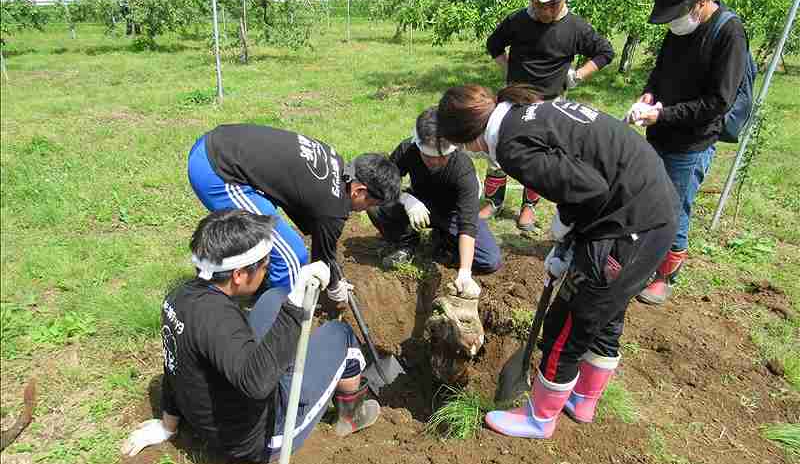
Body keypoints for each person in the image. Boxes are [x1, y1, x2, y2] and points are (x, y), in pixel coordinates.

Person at [437, 84, 678, 439]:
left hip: (628, 225)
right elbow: (584, 174)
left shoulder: (511, 146)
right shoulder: (521, 112)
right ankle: (583, 399)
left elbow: (589, 189)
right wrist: (568, 244)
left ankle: (539, 418)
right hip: (650, 210)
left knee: (567, 323)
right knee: (607, 313)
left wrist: (563, 228)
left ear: (470, 138)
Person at [121, 209, 380, 463]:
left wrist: (168, 426)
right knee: (341, 334)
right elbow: (256, 384)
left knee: (274, 297)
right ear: (238, 275)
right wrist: (298, 301)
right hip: (258, 435)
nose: (267, 271)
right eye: (265, 266)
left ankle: (290, 367)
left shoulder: (179, 296)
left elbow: (174, 363)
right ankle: (349, 417)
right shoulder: (219, 321)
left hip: (222, 413)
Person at [629, 0, 747, 306]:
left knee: (675, 206)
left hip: (692, 141)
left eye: (678, 14)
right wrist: (649, 95)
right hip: (661, 128)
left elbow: (718, 101)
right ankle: (644, 256)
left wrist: (662, 114)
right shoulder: (680, 29)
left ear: (701, 1)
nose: (673, 22)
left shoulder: (729, 33)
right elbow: (661, 70)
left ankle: (666, 275)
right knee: (649, 195)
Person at [187, 124, 401, 307]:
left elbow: (309, 216)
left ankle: (261, 285)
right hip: (217, 172)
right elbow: (321, 259)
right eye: (371, 204)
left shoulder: (334, 159)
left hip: (216, 143)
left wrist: (332, 274)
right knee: (292, 255)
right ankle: (284, 320)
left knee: (275, 237)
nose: (364, 210)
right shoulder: (332, 207)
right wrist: (334, 285)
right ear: (359, 191)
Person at [482, 0, 615, 232]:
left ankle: (528, 207)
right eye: (545, 4)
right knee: (496, 147)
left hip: (550, 105)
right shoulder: (517, 21)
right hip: (514, 100)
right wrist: (508, 71)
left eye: (557, 4)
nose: (551, 10)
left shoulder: (576, 27)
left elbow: (605, 52)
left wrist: (578, 76)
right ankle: (492, 200)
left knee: (538, 156)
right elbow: (493, 44)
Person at [367, 108, 502, 296]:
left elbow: (468, 224)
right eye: (429, 157)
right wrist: (406, 199)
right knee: (374, 202)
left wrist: (464, 272)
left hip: (454, 213)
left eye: (442, 157)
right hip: (419, 203)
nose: (436, 162)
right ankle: (406, 242)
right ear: (418, 144)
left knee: (490, 260)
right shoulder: (408, 150)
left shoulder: (462, 169)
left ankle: (445, 240)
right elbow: (384, 183)